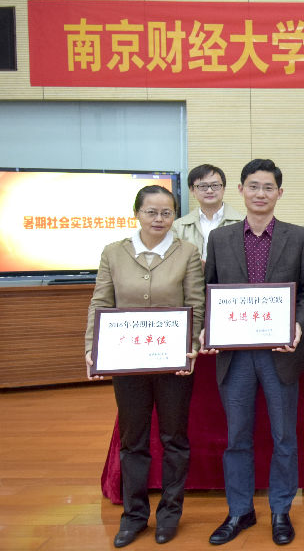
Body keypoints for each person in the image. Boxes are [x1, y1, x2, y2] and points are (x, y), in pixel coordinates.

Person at [201, 159, 304, 546]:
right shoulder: (219, 239)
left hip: (280, 354)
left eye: (268, 187)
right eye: (253, 186)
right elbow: (209, 291)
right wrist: (208, 326)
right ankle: (240, 510)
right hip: (235, 355)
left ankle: (281, 510)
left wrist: (298, 325)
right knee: (237, 437)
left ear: (280, 193)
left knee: (284, 436)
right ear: (240, 190)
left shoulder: (298, 237)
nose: (260, 193)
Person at [84, 185, 204, 548]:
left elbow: (196, 305)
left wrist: (191, 347)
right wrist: (92, 348)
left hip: (173, 365)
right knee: (133, 441)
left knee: (174, 440)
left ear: (175, 217)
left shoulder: (187, 252)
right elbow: (101, 302)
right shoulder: (114, 252)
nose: (159, 219)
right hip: (128, 364)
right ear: (137, 213)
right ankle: (134, 516)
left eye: (166, 213)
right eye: (151, 212)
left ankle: (169, 514)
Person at [171, 164, 243, 262]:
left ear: (224, 188)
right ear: (192, 190)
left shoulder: (243, 223)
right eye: (203, 186)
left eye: (215, 185)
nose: (209, 190)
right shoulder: (178, 226)